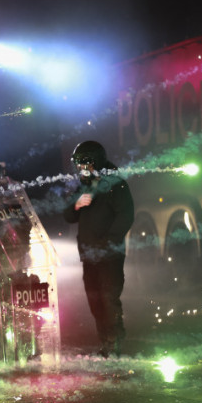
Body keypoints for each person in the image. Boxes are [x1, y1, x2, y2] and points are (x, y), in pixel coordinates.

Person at [63, 141, 134, 358]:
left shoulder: (115, 183)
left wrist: (108, 242)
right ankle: (105, 343)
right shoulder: (85, 184)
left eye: (82, 164)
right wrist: (76, 204)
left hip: (109, 254)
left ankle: (114, 343)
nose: (79, 169)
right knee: (95, 301)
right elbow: (68, 216)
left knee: (108, 298)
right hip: (89, 255)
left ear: (93, 162)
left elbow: (126, 215)